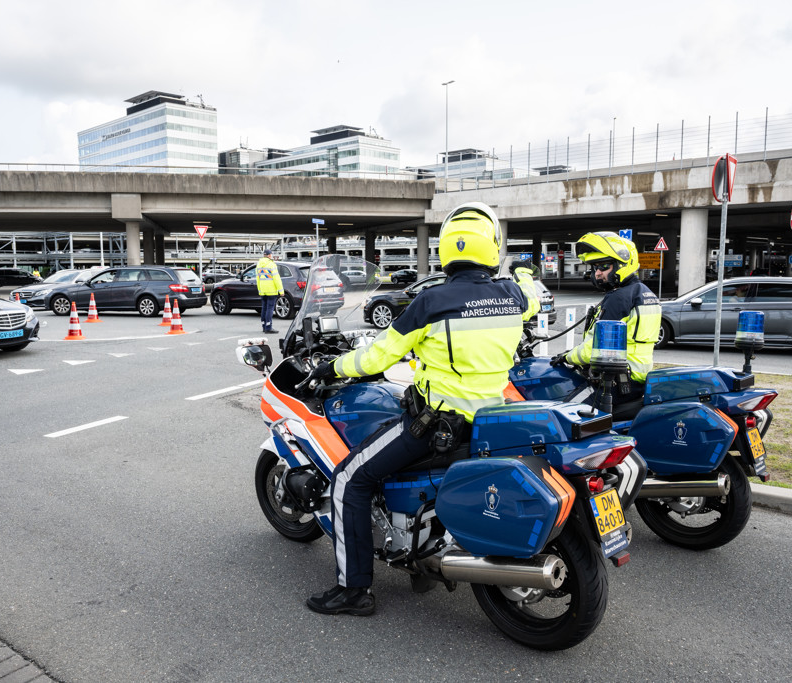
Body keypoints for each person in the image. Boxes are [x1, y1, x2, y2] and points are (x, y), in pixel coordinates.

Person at [305, 201, 539, 616]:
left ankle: (353, 590)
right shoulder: (513, 296)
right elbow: (534, 298)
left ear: (446, 247)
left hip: (435, 427)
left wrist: (332, 366)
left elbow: (376, 358)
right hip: (490, 421)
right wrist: (522, 272)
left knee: (349, 480)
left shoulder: (431, 302)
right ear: (491, 246)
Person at [555, 231, 661, 414]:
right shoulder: (645, 293)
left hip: (615, 382)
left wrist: (567, 357)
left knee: (563, 410)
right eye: (595, 268)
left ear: (623, 264)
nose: (597, 273)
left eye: (604, 266)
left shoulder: (619, 298)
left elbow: (596, 348)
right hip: (636, 378)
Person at [255, 247, 284, 334]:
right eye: (271, 254)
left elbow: (258, 279)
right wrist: (281, 291)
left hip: (263, 290)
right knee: (270, 309)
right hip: (271, 290)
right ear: (269, 255)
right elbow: (277, 279)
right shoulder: (272, 264)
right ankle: (268, 327)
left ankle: (264, 326)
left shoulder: (259, 264)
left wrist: (259, 290)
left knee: (264, 308)